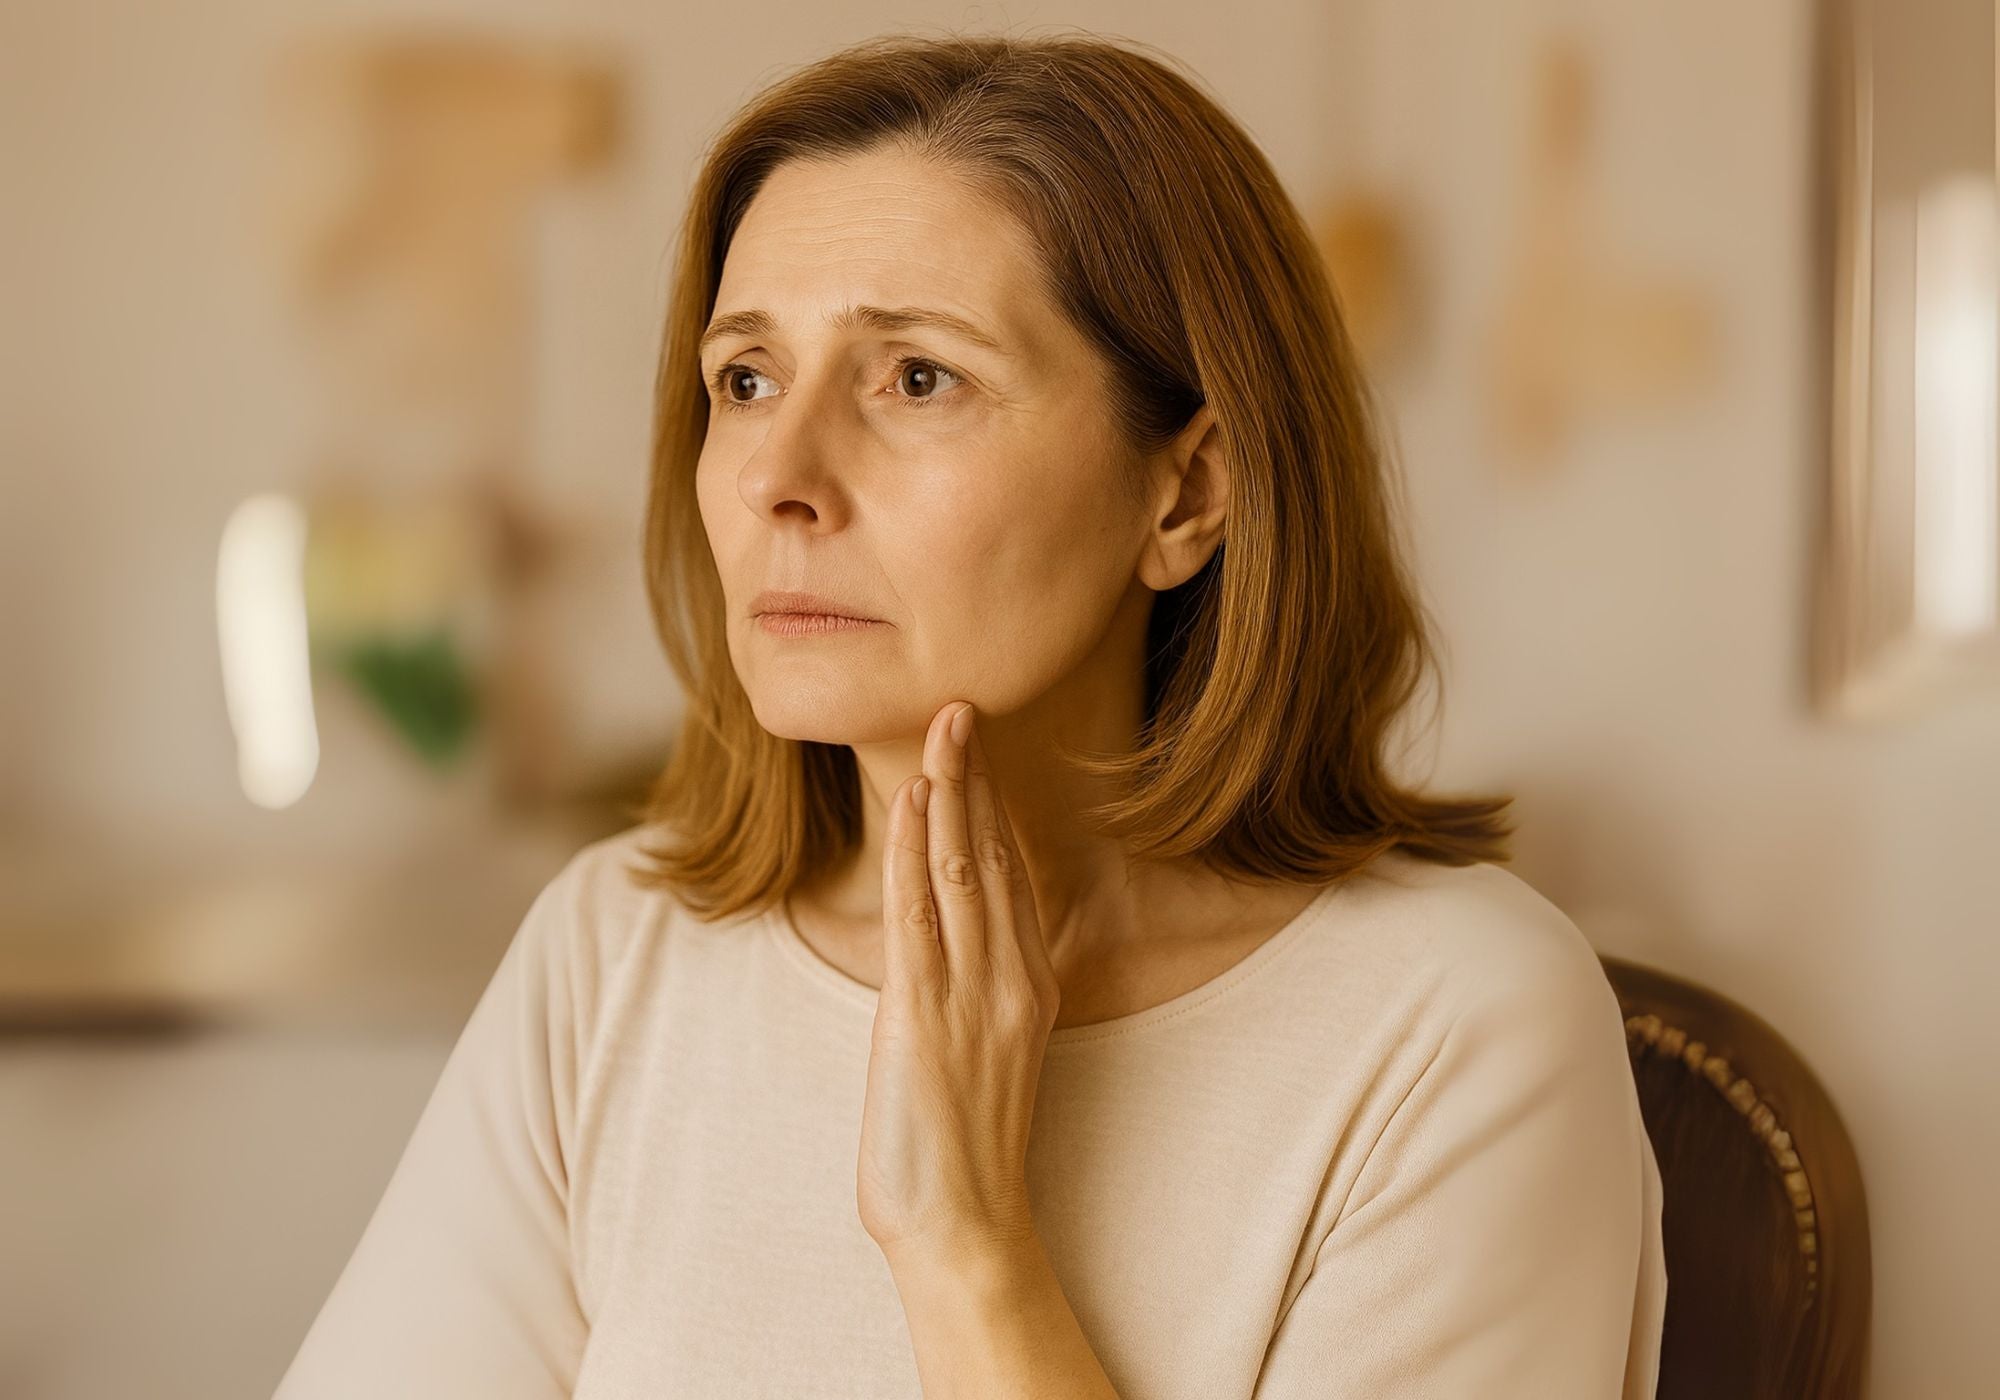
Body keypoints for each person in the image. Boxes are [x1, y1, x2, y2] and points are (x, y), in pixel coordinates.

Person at [273, 29, 1665, 1399]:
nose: (776, 477)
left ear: (1187, 493)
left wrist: (964, 1246)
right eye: (746, 380)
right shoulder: (614, 952)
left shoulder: (1459, 1027)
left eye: (917, 377)